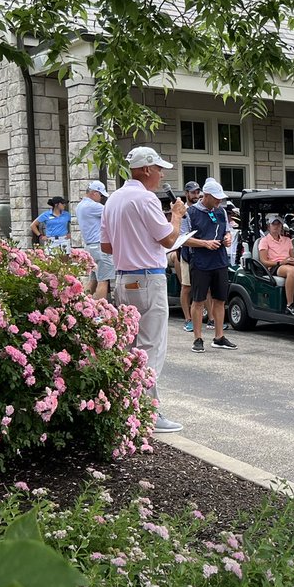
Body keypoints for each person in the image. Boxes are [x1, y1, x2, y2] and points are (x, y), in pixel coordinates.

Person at [100, 146, 187, 433]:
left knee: (128, 344)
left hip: (124, 277)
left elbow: (106, 246)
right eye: (159, 169)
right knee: (150, 347)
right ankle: (148, 411)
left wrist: (133, 243)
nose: (162, 174)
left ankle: (126, 406)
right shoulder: (146, 198)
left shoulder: (113, 200)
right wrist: (175, 215)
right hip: (148, 278)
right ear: (147, 169)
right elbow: (167, 239)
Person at [184, 178, 236, 353]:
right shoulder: (190, 212)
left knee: (220, 299)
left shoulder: (220, 211)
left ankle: (219, 336)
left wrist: (228, 237)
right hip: (200, 261)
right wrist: (204, 243)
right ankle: (198, 338)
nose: (219, 201)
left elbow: (227, 230)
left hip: (220, 260)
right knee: (198, 300)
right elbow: (183, 239)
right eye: (216, 198)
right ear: (205, 196)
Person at [258, 215, 294, 315]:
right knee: (291, 271)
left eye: (278, 224)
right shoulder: (264, 241)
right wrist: (281, 262)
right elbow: (263, 261)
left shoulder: (287, 240)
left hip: (288, 264)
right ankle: (290, 305)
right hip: (275, 266)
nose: (276, 226)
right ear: (268, 226)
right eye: (273, 224)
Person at [77, 180, 113, 299]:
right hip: (99, 248)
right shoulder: (93, 206)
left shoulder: (80, 205)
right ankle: (100, 312)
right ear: (94, 193)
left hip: (90, 247)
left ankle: (82, 306)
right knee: (103, 281)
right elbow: (113, 213)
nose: (102, 198)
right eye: (101, 195)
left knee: (93, 280)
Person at [178, 181, 204, 332]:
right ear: (187, 193)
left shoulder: (202, 209)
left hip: (201, 253)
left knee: (204, 289)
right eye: (193, 192)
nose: (196, 195)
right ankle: (188, 319)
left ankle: (211, 319)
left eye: (197, 192)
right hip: (187, 252)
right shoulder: (183, 211)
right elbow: (182, 236)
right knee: (186, 286)